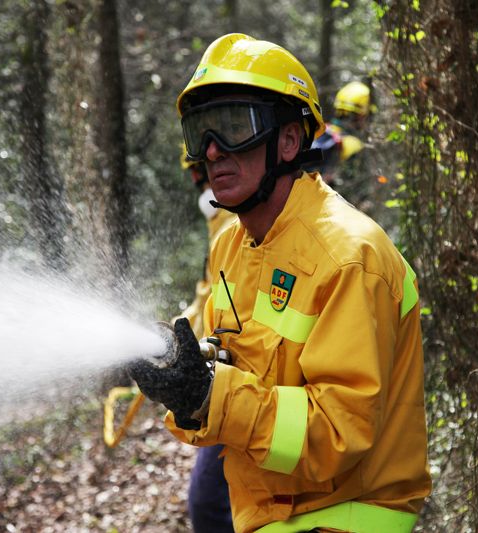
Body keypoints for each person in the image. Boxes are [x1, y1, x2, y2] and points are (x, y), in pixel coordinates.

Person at [130, 33, 431, 533]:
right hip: (271, 509)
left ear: (289, 140)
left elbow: (340, 431)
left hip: (340, 518)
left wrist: (211, 396)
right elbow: (237, 364)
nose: (213, 151)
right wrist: (185, 372)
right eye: (199, 132)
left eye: (233, 127)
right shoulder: (234, 244)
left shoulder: (348, 257)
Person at [178, 145, 236, 533]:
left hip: (244, 389)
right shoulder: (221, 226)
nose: (205, 178)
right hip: (232, 386)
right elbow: (208, 294)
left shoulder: (237, 223)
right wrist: (175, 331)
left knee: (209, 504)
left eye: (205, 169)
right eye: (200, 172)